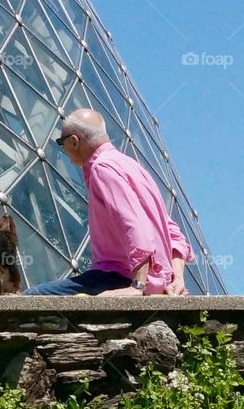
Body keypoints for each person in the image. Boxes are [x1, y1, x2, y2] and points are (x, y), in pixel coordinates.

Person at [23, 109, 192, 296]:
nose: (62, 149)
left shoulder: (102, 168)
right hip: (155, 281)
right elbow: (173, 233)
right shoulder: (132, 166)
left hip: (119, 277)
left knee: (32, 297)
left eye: (61, 142)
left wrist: (137, 286)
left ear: (74, 141)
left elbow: (131, 223)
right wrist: (177, 279)